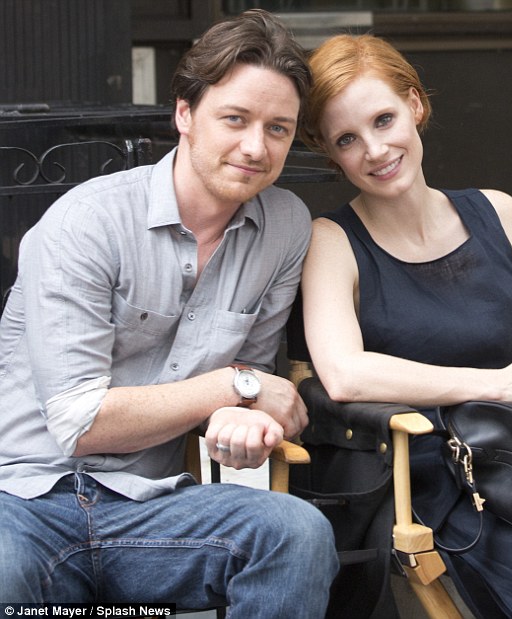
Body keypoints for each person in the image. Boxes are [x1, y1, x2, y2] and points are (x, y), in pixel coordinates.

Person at [0, 9, 338, 614]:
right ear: (184, 113)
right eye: (234, 119)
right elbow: (79, 421)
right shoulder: (88, 221)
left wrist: (243, 418)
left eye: (278, 129)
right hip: (23, 499)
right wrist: (235, 388)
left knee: (294, 532)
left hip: (151, 505)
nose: (256, 147)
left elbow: (248, 384)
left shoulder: (284, 226)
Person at [299, 33, 512, 618]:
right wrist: (502, 384)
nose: (375, 150)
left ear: (415, 105)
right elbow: (344, 375)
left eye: (383, 120)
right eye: (347, 139)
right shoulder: (330, 240)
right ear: (330, 151)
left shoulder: (497, 210)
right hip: (452, 487)